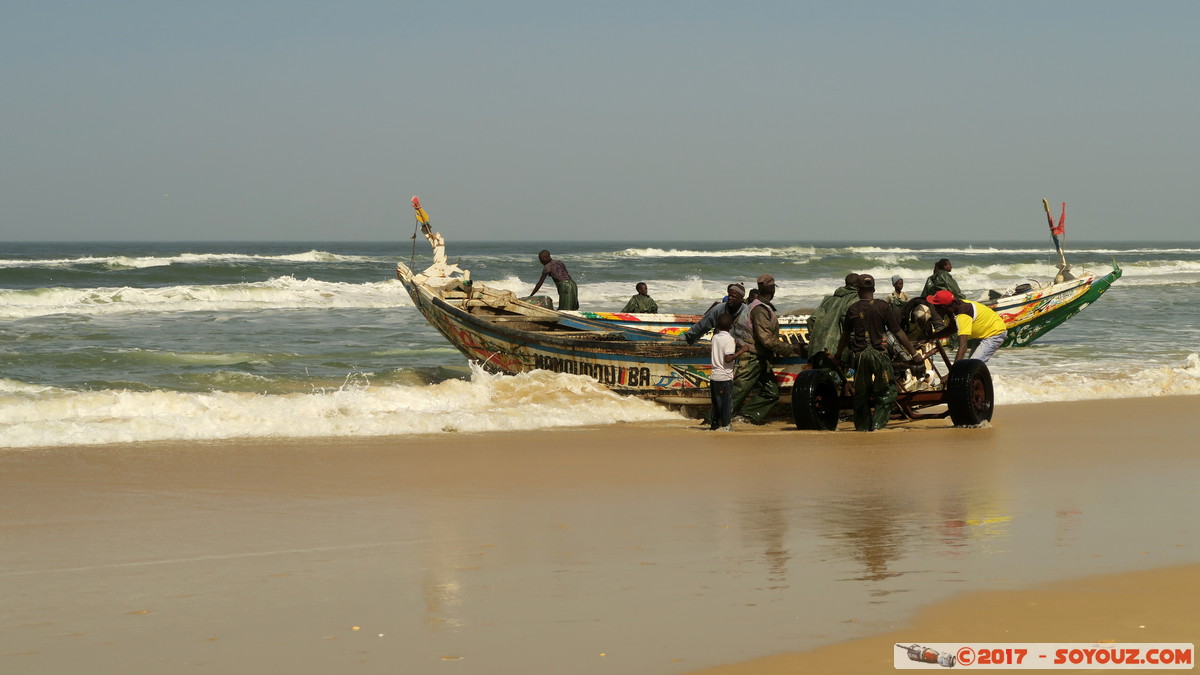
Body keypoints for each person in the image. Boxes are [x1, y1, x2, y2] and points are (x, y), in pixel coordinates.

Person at [833, 274, 917, 432]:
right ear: (873, 289)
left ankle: (863, 427)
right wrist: (914, 353)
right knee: (888, 391)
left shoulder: (852, 309)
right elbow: (897, 332)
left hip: (859, 357)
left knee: (861, 394)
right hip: (879, 355)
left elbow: (845, 337)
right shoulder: (882, 306)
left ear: (858, 290)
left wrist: (837, 357)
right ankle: (877, 425)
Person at [734, 274, 806, 424]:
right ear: (772, 289)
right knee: (737, 392)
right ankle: (712, 418)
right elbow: (766, 339)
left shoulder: (757, 305)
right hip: (751, 357)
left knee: (771, 392)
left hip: (759, 357)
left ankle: (746, 417)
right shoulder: (760, 309)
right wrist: (792, 348)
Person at [926, 290, 1008, 362]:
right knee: (972, 365)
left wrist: (953, 372)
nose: (935, 310)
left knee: (972, 365)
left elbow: (963, 346)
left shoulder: (962, 314)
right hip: (983, 333)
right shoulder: (954, 308)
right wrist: (930, 337)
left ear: (943, 307)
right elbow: (951, 329)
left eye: (936, 307)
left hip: (994, 333)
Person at [806, 273, 860, 366]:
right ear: (857, 286)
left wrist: (817, 339)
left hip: (817, 351)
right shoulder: (855, 299)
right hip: (836, 353)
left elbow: (812, 319)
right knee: (837, 379)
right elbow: (849, 324)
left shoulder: (828, 300)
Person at [708, 313, 748, 431]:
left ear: (717, 326)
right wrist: (742, 350)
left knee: (716, 406)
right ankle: (726, 427)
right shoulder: (730, 340)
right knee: (726, 406)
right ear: (731, 326)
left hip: (714, 377)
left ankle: (714, 426)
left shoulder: (715, 338)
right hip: (725, 377)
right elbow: (728, 358)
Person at [683, 284, 751, 347]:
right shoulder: (718, 309)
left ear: (741, 299)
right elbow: (703, 325)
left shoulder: (747, 312)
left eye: (733, 296)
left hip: (739, 348)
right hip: (720, 346)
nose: (730, 298)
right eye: (729, 295)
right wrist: (687, 337)